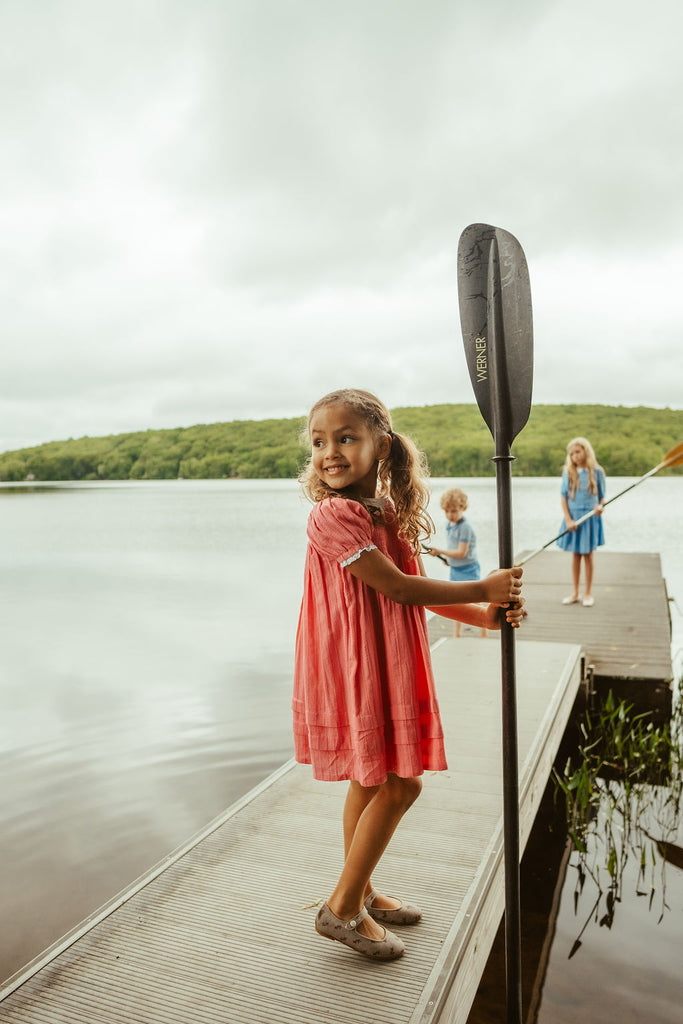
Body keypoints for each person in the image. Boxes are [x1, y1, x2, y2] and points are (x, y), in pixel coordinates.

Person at [293, 388, 524, 962]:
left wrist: (484, 617)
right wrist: (481, 585)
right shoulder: (332, 515)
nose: (329, 452)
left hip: (383, 659)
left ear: (383, 446)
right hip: (354, 665)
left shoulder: (386, 513)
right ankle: (341, 909)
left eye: (346, 438)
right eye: (320, 441)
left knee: (370, 780)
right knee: (403, 783)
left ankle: (362, 892)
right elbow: (396, 588)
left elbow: (420, 595)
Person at [425, 487, 487, 638]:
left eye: (453, 511)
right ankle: (457, 634)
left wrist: (440, 551)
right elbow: (454, 550)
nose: (450, 515)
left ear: (463, 508)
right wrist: (448, 560)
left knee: (476, 600)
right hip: (455, 569)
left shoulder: (465, 527)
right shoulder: (449, 525)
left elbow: (461, 553)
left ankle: (484, 632)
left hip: (469, 569)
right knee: (457, 601)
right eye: (447, 511)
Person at [557, 436, 606, 607]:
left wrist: (600, 508)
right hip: (573, 519)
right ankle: (576, 593)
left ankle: (588, 593)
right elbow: (563, 497)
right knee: (576, 555)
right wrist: (568, 519)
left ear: (586, 450)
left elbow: (602, 498)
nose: (574, 456)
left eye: (577, 452)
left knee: (588, 555)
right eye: (571, 454)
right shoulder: (568, 472)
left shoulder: (597, 471)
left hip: (590, 518)